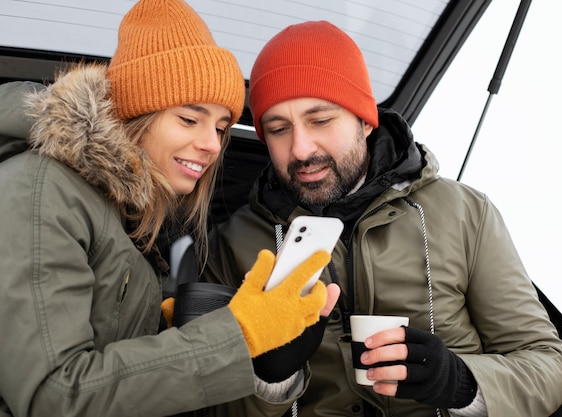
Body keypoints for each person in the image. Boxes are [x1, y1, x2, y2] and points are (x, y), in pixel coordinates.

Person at [202, 20, 562, 417]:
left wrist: (461, 382)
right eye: (278, 129)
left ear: (365, 119)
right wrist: (271, 380)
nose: (301, 148)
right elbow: (207, 404)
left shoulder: (465, 213)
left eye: (321, 120)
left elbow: (549, 367)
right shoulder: (232, 241)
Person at [0, 2, 340, 416]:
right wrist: (237, 333)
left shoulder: (134, 224)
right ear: (135, 113)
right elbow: (53, 397)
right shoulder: (41, 188)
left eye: (220, 127)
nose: (212, 145)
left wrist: (253, 363)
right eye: (188, 119)